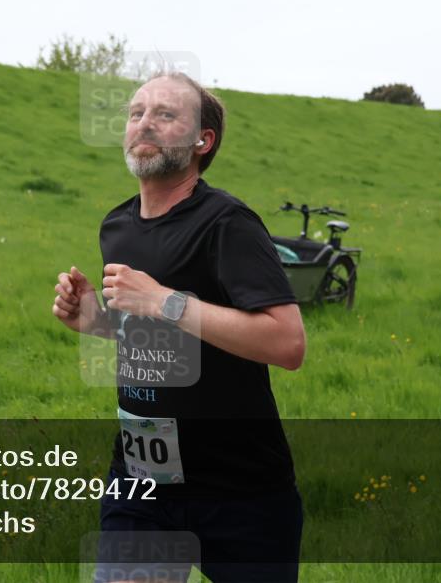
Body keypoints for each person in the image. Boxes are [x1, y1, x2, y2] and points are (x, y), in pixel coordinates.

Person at [52, 72, 306, 582]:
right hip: (142, 479)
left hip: (240, 490)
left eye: (165, 114)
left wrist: (164, 301)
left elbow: (287, 342)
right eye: (135, 112)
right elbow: (157, 334)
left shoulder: (227, 224)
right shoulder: (117, 225)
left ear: (201, 141)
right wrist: (99, 322)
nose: (144, 122)